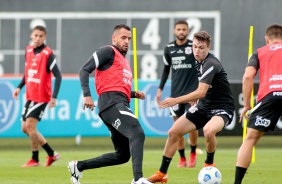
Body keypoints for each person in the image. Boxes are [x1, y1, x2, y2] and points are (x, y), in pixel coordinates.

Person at [67, 24, 152, 184]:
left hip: (116, 103)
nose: (127, 41)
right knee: (137, 133)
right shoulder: (108, 51)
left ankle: (79, 166)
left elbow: (114, 85)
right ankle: (138, 179)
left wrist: (133, 94)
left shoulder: (124, 61)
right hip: (112, 104)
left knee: (122, 155)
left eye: (129, 39)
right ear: (114, 38)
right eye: (123, 37)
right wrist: (87, 95)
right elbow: (84, 70)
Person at [147, 31, 235, 183]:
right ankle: (162, 174)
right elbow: (201, 90)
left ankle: (209, 163)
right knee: (173, 132)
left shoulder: (211, 63)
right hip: (203, 106)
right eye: (194, 46)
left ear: (209, 47)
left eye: (201, 47)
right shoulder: (198, 61)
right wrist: (194, 97)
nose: (197, 50)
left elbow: (201, 92)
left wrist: (176, 100)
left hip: (222, 108)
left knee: (208, 131)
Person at [234, 24, 282, 184]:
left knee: (250, 140)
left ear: (267, 39)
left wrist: (247, 105)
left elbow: (248, 77)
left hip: (269, 95)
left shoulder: (260, 52)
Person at [13, 25, 62, 167]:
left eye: (41, 36)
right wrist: (19, 87)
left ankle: (35, 159)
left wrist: (54, 97)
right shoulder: (28, 51)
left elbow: (58, 76)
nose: (38, 38)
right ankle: (52, 154)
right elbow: (28, 72)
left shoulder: (48, 54)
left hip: (42, 97)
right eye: (36, 35)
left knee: (30, 125)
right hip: (30, 95)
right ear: (31, 36)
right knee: (25, 128)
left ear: (45, 37)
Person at [156, 20, 200, 168]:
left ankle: (193, 152)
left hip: (192, 96)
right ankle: (182, 158)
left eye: (184, 29)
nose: (181, 32)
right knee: (177, 129)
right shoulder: (168, 48)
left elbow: (201, 65)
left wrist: (199, 90)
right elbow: (165, 70)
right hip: (175, 96)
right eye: (179, 29)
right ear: (175, 31)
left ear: (188, 31)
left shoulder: (193, 47)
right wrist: (160, 89)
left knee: (193, 127)